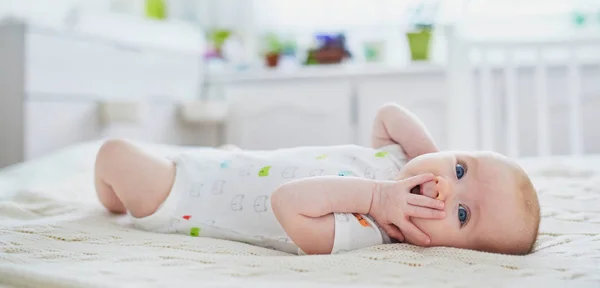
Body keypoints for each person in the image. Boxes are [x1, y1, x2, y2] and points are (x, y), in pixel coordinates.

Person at [94, 103, 540, 255]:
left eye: (462, 213)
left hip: (180, 197)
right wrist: (429, 159)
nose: (446, 186)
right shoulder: (401, 165)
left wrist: (379, 200)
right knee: (146, 152)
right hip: (224, 163)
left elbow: (288, 202)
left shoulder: (367, 231)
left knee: (114, 152)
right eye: (460, 169)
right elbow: (389, 115)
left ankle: (115, 202)